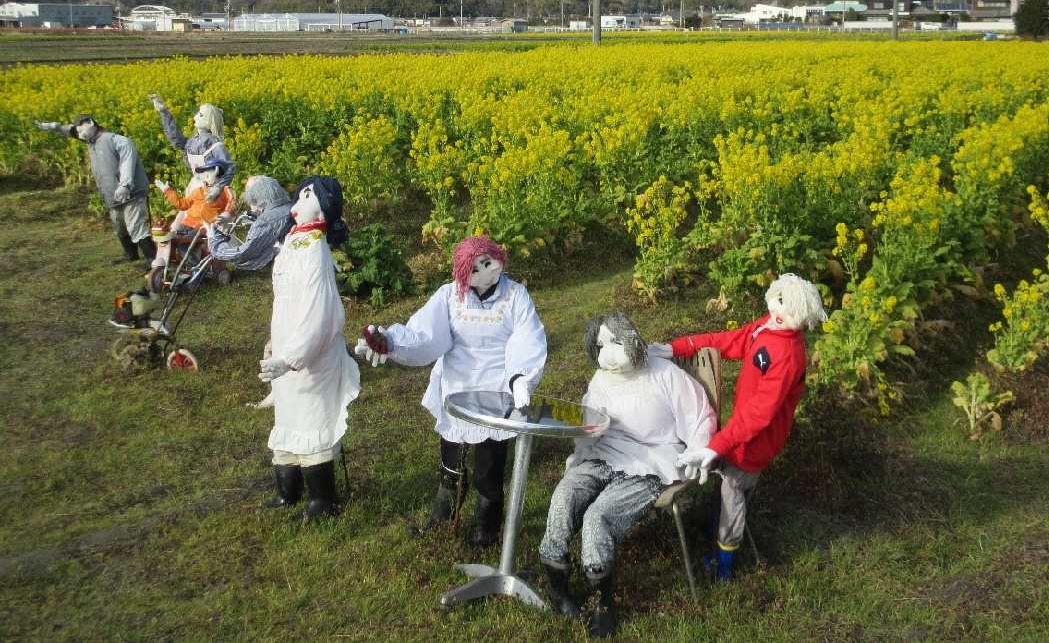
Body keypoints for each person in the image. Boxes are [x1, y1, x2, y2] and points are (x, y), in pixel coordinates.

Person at [355, 235, 547, 546]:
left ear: (498, 258)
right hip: (457, 386)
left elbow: (526, 337)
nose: (485, 271)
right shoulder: (449, 296)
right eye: (475, 268)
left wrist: (520, 378)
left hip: (497, 389)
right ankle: (442, 522)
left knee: (489, 468)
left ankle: (486, 532)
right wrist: (391, 342)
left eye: (488, 262)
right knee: (451, 460)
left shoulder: (515, 296)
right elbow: (428, 335)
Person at [538, 313, 715, 638]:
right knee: (565, 495)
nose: (608, 353)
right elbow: (589, 417)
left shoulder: (664, 374)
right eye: (601, 345)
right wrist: (576, 438)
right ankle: (557, 585)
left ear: (632, 339)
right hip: (603, 453)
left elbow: (699, 414)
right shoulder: (601, 379)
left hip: (651, 460)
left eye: (615, 342)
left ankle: (603, 600)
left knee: (598, 516)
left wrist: (698, 449)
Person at [655, 273, 827, 581]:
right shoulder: (767, 327)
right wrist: (678, 347)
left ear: (801, 319)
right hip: (737, 436)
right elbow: (731, 340)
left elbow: (760, 415)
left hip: (753, 446)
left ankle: (724, 567)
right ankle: (712, 537)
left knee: (733, 498)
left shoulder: (788, 357)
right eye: (777, 302)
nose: (777, 314)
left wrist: (715, 446)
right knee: (725, 492)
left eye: (786, 312)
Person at [256, 175, 360, 521]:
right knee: (287, 414)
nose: (299, 200)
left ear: (325, 206)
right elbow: (284, 302)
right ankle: (289, 490)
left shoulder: (315, 248)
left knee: (313, 418)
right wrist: (275, 343)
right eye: (300, 194)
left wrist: (291, 358)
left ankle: (322, 500)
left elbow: (321, 312)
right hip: (287, 346)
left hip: (311, 356)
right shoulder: (293, 243)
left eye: (308, 194)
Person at [33, 115, 154, 267]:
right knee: (120, 228)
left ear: (90, 123)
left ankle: (153, 259)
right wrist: (55, 127)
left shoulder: (117, 140)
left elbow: (127, 163)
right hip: (112, 195)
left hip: (131, 193)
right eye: (78, 132)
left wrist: (125, 185)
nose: (80, 134)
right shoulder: (91, 141)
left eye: (81, 130)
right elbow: (71, 131)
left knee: (136, 227)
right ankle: (131, 255)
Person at [148, 95, 234, 200]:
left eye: (201, 115)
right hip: (195, 187)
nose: (196, 116)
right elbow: (177, 141)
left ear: (210, 121)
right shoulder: (193, 140)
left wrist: (218, 188)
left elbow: (230, 167)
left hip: (211, 193)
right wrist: (164, 112)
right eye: (198, 113)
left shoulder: (215, 144)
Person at [205, 175, 292, 272]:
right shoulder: (292, 207)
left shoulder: (265, 222)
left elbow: (244, 253)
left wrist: (215, 242)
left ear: (255, 196)